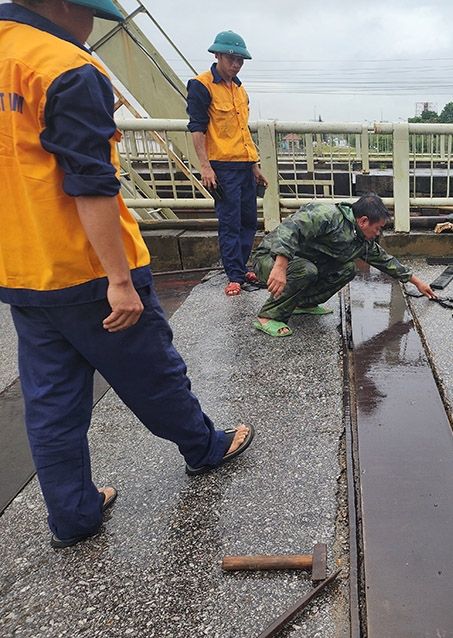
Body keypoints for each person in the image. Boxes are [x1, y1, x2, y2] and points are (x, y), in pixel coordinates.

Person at [0, 0, 253, 549]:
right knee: (152, 371)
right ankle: (204, 448)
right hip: (86, 266)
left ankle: (73, 514)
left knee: (51, 403)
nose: (92, 23)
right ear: (63, 4)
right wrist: (118, 277)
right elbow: (89, 179)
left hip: (21, 268)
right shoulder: (64, 64)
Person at [251, 194, 437, 337]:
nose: (379, 233)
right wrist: (280, 266)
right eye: (378, 228)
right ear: (364, 220)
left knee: (346, 269)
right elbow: (290, 228)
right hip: (270, 259)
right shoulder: (327, 215)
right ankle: (268, 316)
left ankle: (302, 304)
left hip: (299, 263)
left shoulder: (361, 241)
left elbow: (387, 262)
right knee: (306, 270)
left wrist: (418, 283)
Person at [187, 29, 267, 297]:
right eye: (231, 59)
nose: (236, 64)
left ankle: (241, 267)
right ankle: (234, 274)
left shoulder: (239, 89)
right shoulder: (202, 85)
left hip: (244, 165)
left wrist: (254, 165)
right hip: (222, 166)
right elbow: (197, 128)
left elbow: (243, 130)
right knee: (229, 221)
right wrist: (205, 167)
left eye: (240, 60)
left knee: (248, 220)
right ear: (217, 55)